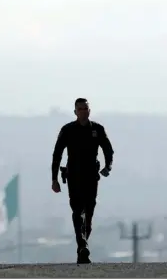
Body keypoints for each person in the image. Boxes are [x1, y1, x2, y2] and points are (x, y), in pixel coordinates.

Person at [51, 98, 114, 264]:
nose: (83, 112)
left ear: (89, 111)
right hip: (74, 176)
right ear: (75, 112)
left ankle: (82, 248)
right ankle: (82, 244)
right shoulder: (68, 130)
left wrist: (108, 166)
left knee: (89, 213)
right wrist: (54, 179)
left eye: (85, 109)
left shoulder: (97, 130)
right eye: (80, 109)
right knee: (77, 211)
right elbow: (57, 155)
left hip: (91, 177)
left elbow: (108, 150)